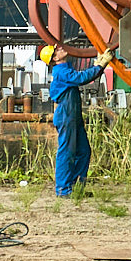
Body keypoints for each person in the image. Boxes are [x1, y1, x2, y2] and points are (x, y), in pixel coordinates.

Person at [44, 41, 112, 197]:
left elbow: (82, 77)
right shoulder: (61, 71)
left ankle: (76, 189)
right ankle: (63, 190)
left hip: (73, 115)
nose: (60, 48)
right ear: (55, 58)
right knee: (67, 152)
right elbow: (81, 78)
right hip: (66, 116)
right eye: (57, 50)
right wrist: (99, 66)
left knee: (83, 151)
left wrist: (98, 67)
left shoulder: (65, 69)